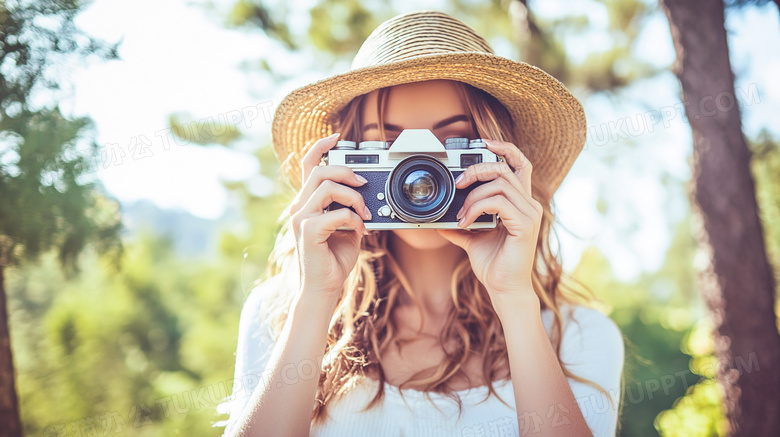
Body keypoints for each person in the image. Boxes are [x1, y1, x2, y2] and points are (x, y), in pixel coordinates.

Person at [215, 10, 624, 437]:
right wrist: (316, 298)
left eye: (452, 141)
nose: (419, 173)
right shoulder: (277, 317)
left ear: (501, 160)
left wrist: (515, 300)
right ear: (346, 161)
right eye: (390, 144)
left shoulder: (581, 339)